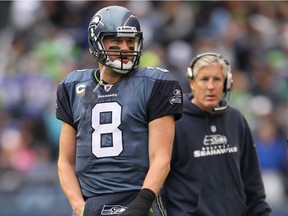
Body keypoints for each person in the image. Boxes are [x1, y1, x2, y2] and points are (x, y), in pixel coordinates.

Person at [56, 5, 183, 216]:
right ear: (96, 42)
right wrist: (80, 208)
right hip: (92, 201)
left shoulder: (155, 83)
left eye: (130, 41)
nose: (125, 48)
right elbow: (65, 161)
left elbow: (161, 158)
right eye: (116, 41)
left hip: (139, 198)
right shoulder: (72, 86)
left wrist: (142, 204)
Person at [162, 52, 271, 216]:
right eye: (204, 79)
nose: (211, 86)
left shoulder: (236, 119)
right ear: (192, 83)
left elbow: (252, 182)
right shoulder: (175, 122)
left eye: (217, 79)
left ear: (226, 85)